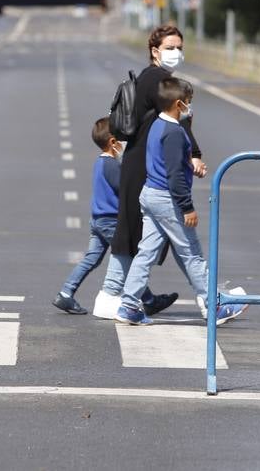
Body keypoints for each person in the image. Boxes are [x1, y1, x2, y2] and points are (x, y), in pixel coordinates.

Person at [116, 78, 244, 326]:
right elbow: (173, 174)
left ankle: (130, 305)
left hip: (151, 193)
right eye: (188, 103)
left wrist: (189, 164)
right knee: (192, 254)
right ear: (178, 104)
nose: (189, 108)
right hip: (168, 199)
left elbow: (167, 162)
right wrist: (187, 207)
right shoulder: (174, 132)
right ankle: (213, 304)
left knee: (146, 252)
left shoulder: (157, 124)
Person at [100, 24, 204, 311]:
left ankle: (130, 298)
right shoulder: (158, 79)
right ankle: (113, 295)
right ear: (154, 51)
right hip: (145, 166)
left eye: (180, 47)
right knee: (148, 234)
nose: (176, 52)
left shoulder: (153, 76)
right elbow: (178, 119)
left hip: (141, 161)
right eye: (170, 47)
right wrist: (194, 153)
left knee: (144, 236)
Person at [55, 118, 178, 317]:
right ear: (113, 142)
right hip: (111, 220)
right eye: (123, 139)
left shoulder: (100, 161)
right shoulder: (112, 166)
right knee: (129, 257)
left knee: (92, 259)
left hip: (98, 219)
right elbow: (126, 191)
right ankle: (149, 300)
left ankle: (66, 292)